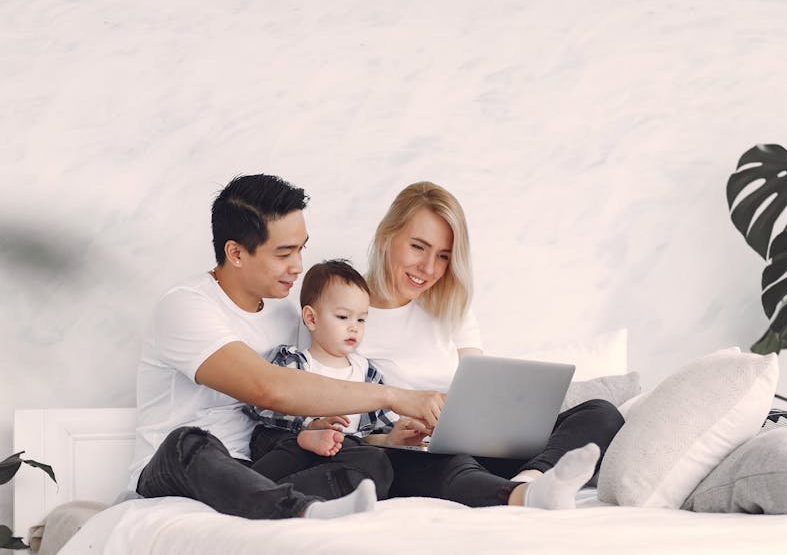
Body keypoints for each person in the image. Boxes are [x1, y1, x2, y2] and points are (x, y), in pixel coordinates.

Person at [128, 174, 445, 520]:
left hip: (258, 468)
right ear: (236, 253)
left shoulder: (286, 316)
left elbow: (308, 392)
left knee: (370, 461)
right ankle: (298, 507)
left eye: (300, 249)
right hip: (178, 469)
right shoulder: (185, 306)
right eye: (284, 253)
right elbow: (268, 389)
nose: (298, 267)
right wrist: (394, 396)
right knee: (190, 441)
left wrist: (328, 428)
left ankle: (286, 505)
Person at [357, 181, 626, 509]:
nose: (428, 268)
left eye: (443, 256)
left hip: (474, 449)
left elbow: (478, 389)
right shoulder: (344, 311)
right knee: (441, 463)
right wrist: (388, 436)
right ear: (386, 235)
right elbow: (336, 425)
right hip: (408, 454)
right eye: (418, 247)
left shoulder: (452, 307)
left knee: (602, 413)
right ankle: (514, 495)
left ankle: (530, 482)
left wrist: (495, 423)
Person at [245, 259, 429, 498]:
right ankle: (266, 478)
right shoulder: (295, 362)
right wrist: (309, 426)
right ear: (311, 318)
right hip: (286, 448)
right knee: (285, 441)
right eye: (343, 317)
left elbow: (369, 435)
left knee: (371, 457)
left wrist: (391, 438)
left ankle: (290, 494)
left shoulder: (367, 373)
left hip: (335, 456)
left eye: (361, 319)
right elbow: (262, 405)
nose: (354, 328)